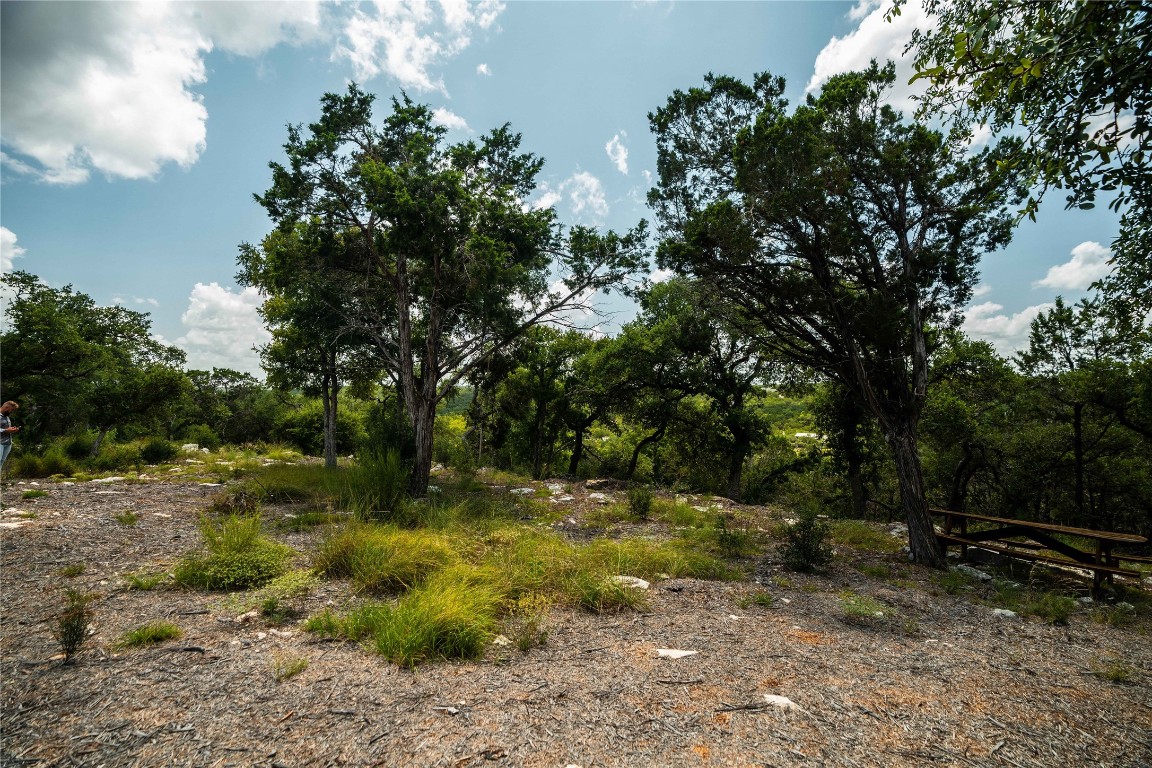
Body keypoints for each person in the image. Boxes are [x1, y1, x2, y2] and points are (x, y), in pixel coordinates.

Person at [0, 401, 20, 471]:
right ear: (6, 408)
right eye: (12, 410)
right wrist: (5, 430)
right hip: (0, 443)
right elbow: (5, 430)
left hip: (8, 443)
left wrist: (13, 430)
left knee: (1, 462)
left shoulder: (6, 416)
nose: (12, 412)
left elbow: (6, 429)